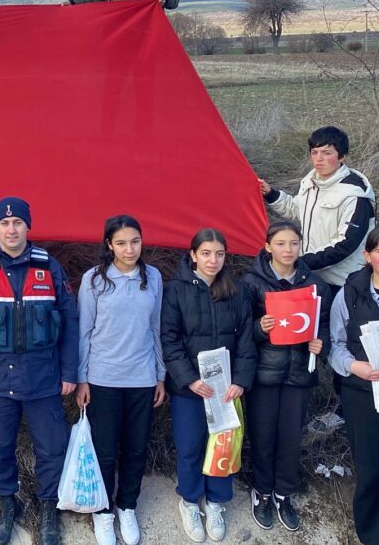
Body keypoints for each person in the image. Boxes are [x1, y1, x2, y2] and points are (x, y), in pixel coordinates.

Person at [0, 197, 78, 545]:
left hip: (43, 377)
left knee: (52, 447)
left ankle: (48, 508)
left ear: (28, 226)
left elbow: (69, 321)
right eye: (5, 224)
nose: (12, 230)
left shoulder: (48, 267)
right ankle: (7, 504)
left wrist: (69, 371)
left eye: (18, 223)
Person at [76, 215, 165, 545]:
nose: (130, 249)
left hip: (141, 378)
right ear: (109, 245)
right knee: (104, 451)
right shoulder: (95, 280)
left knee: (136, 448)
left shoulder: (152, 277)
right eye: (122, 243)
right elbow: (84, 331)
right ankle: (103, 512)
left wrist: (160, 375)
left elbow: (156, 328)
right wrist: (82, 378)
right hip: (103, 378)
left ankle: (127, 506)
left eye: (136, 241)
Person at [162, 228, 255, 543]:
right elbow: (169, 340)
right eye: (206, 253)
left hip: (226, 388)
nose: (212, 260)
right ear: (192, 255)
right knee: (189, 446)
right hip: (190, 388)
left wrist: (241, 380)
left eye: (219, 254)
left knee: (223, 446)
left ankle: (215, 501)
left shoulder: (237, 290)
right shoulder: (175, 290)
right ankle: (189, 500)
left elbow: (245, 339)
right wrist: (189, 379)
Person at [239, 220, 331, 533]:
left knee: (291, 437)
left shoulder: (315, 283)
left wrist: (322, 344)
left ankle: (283, 493)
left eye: (293, 243)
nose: (288, 250)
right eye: (280, 243)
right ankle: (262, 491)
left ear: (301, 246)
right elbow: (240, 332)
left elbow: (326, 328)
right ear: (267, 247)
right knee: (263, 435)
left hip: (298, 375)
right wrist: (258, 329)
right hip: (264, 374)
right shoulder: (251, 282)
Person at [329, 223, 379, 545]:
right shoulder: (349, 292)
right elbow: (335, 344)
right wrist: (354, 367)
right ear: (367, 255)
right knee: (371, 467)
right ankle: (374, 534)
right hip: (361, 392)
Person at [259, 126, 376, 291]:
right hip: (312, 277)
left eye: (327, 153)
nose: (318, 159)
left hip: (343, 282)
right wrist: (270, 194)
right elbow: (296, 210)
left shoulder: (355, 195)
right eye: (314, 152)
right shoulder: (311, 181)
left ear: (342, 156)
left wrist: (300, 262)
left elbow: (345, 245)